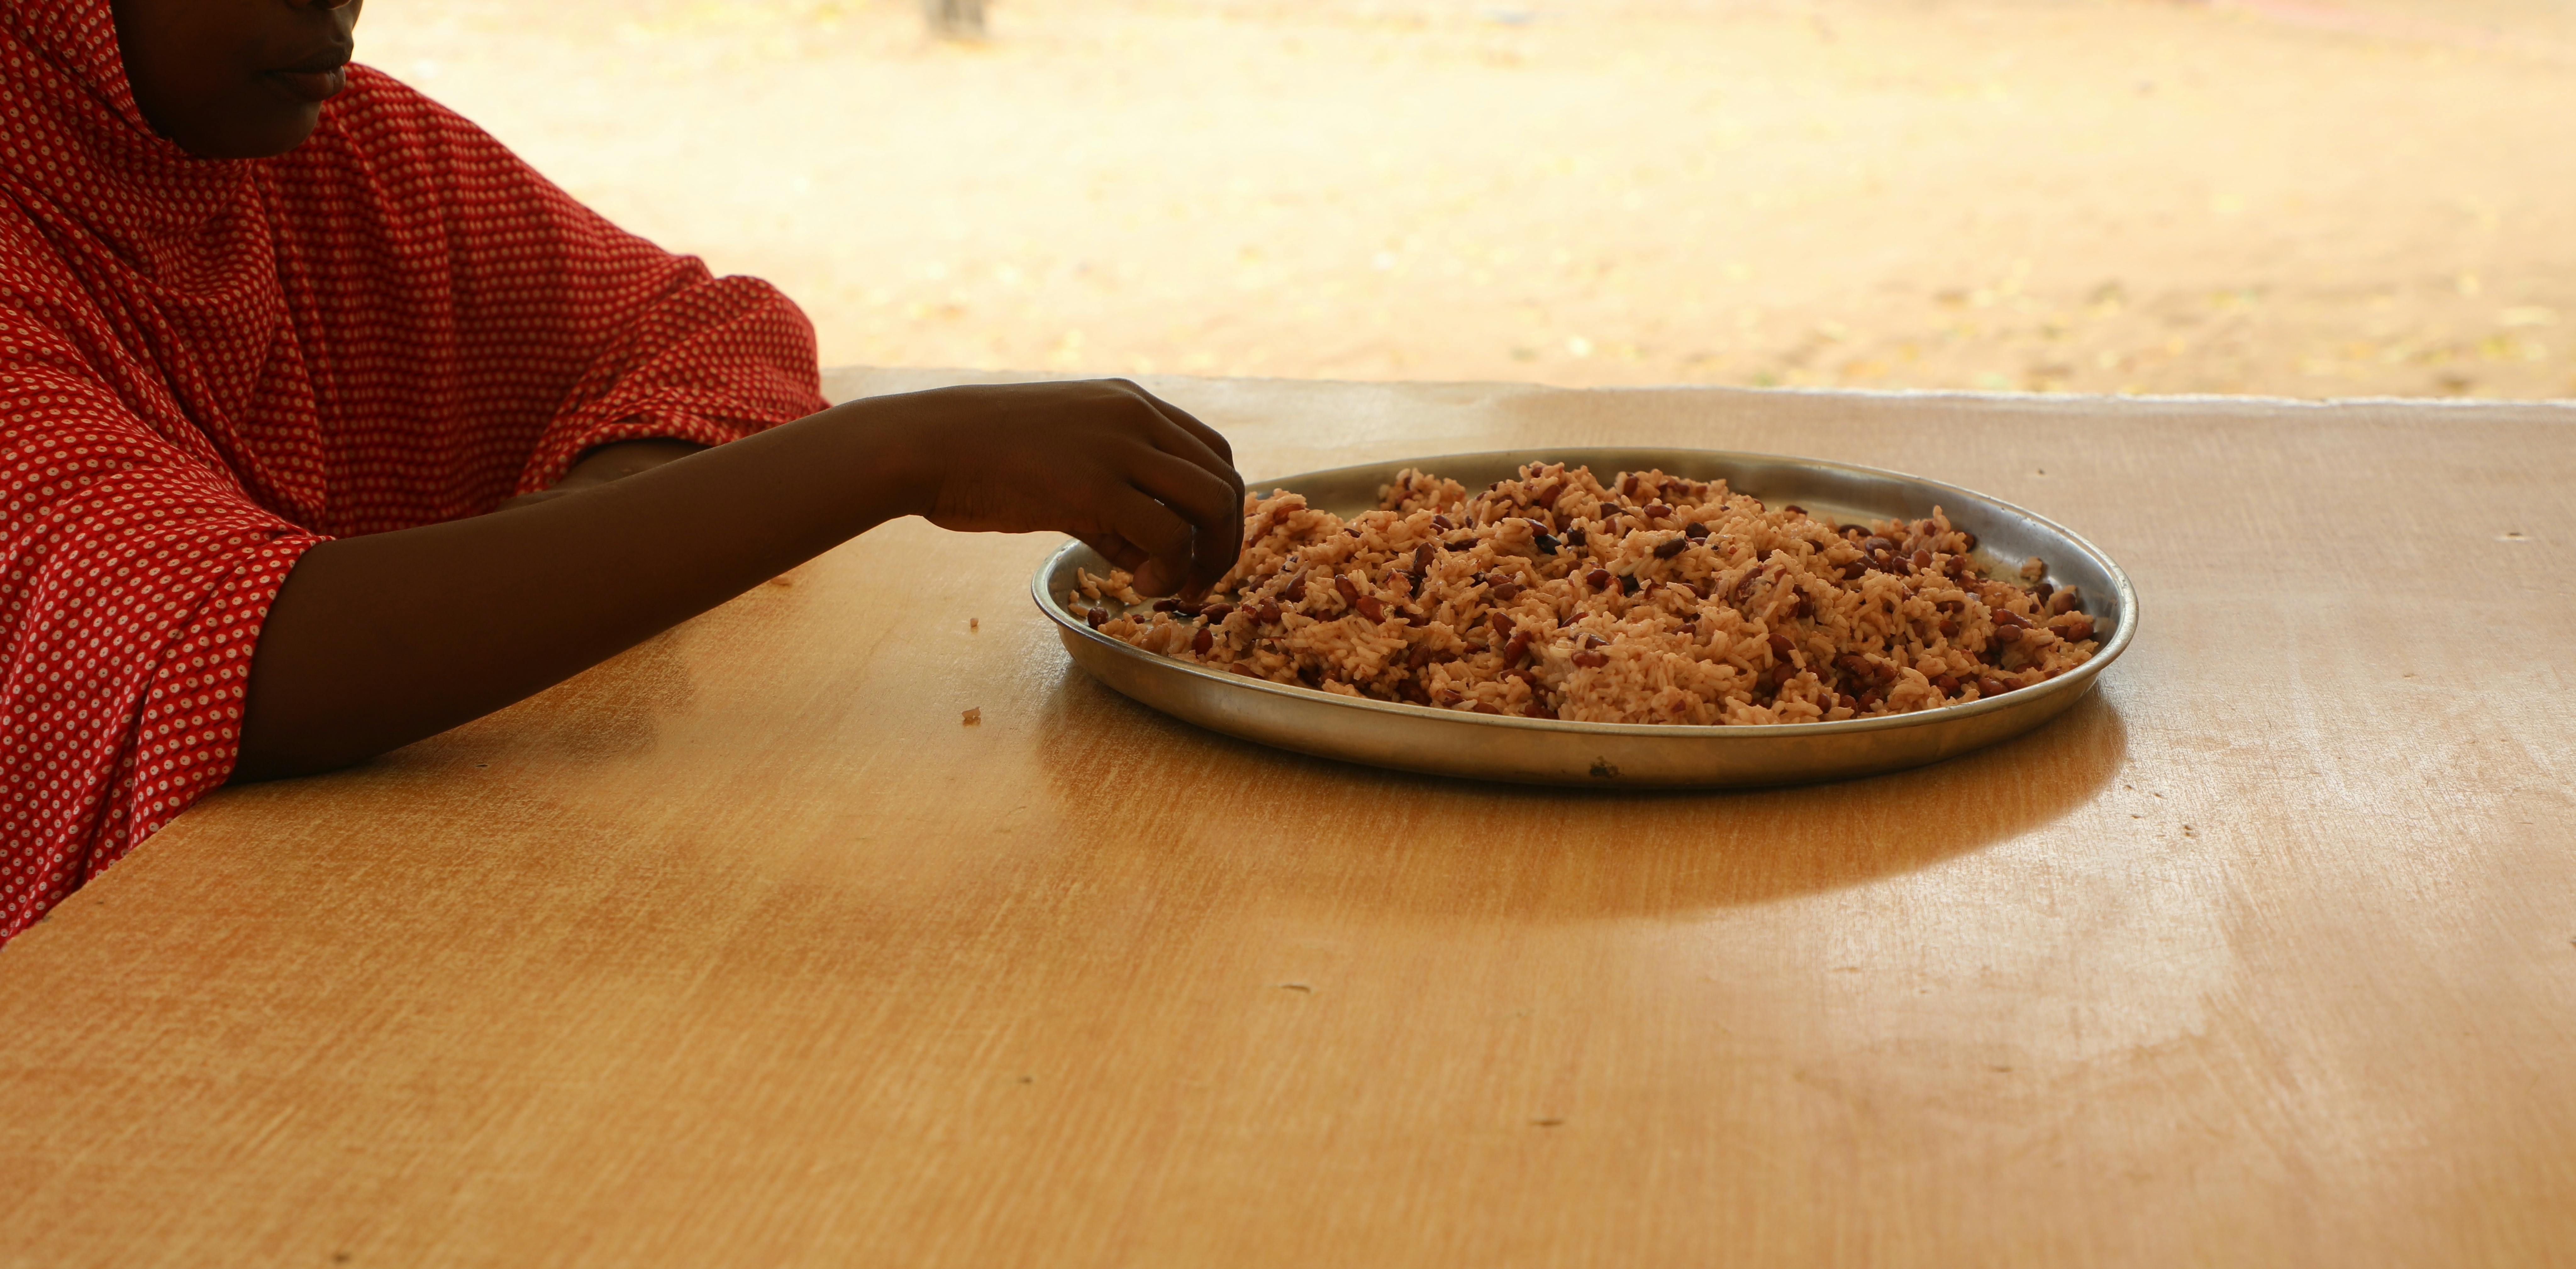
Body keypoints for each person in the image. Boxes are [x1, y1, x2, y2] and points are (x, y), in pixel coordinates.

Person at [0, 0, 1243, 942]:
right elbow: (244, 662)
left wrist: (570, 547)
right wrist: (898, 451)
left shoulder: (329, 159)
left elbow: (703, 337)